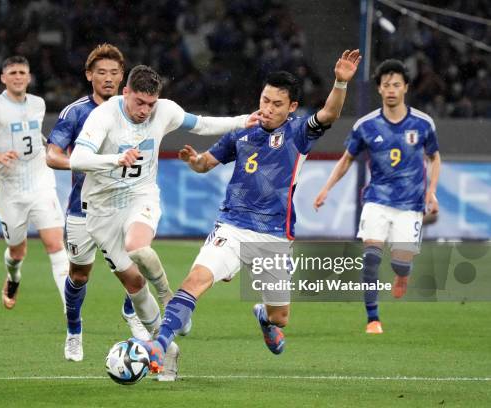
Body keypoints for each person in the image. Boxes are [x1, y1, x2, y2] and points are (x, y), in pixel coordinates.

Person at [135, 49, 362, 373]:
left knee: (280, 316)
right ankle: (159, 345)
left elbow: (328, 114)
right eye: (265, 100)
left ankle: (265, 320)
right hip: (232, 226)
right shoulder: (241, 132)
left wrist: (340, 82)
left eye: (277, 104)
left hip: (273, 236)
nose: (268, 108)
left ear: (292, 107)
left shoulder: (299, 132)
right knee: (195, 280)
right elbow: (205, 164)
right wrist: (194, 160)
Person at [69, 64, 261, 380]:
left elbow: (201, 124)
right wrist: (114, 159)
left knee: (138, 248)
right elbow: (77, 159)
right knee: (133, 284)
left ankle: (167, 296)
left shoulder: (165, 111)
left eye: (151, 104)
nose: (145, 110)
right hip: (101, 210)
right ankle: (168, 350)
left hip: (140, 196)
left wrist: (243, 120)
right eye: (139, 102)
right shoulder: (103, 117)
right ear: (125, 92)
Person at [313, 59, 441, 334]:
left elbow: (434, 157)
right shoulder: (366, 126)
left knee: (400, 262)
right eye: (386, 85)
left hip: (410, 204)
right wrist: (326, 188)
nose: (391, 89)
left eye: (396, 84)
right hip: (377, 200)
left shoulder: (422, 123)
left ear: (405, 88)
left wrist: (431, 192)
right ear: (380, 90)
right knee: (371, 257)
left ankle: (402, 274)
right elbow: (347, 159)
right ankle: (373, 319)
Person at [45, 44, 151, 362]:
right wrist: (85, 163)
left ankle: (132, 313)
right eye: (101, 72)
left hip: (124, 204)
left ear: (123, 77)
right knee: (79, 275)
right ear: (89, 75)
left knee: (138, 259)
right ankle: (74, 332)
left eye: (115, 73)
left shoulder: (139, 109)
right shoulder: (75, 113)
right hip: (84, 207)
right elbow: (53, 154)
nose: (108, 78)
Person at [0, 56, 68, 311]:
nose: (18, 76)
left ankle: (71, 310)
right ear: (3, 78)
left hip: (40, 181)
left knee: (56, 245)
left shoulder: (38, 104)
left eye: (22, 72)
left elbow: (34, 136)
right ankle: (13, 278)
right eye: (12, 73)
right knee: (17, 251)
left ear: (29, 77)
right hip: (10, 189)